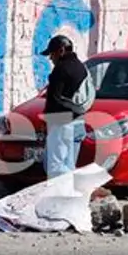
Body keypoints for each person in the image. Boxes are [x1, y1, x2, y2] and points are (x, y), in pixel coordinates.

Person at [40, 35, 93, 178]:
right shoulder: (81, 67)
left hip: (62, 124)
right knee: (69, 166)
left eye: (52, 54)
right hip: (79, 122)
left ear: (61, 51)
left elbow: (54, 99)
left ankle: (60, 191)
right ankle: (70, 191)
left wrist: (46, 121)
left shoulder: (61, 70)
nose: (51, 58)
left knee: (56, 168)